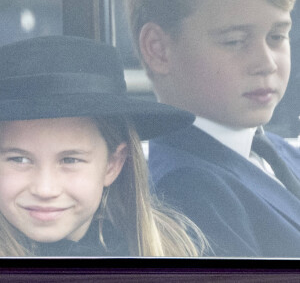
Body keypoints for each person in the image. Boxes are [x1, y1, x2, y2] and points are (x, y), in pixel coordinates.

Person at [126, 0, 300, 257]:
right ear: (158, 49)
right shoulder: (187, 189)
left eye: (277, 36)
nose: (267, 63)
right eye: (235, 41)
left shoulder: (283, 153)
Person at [0, 35, 209, 257]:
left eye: (70, 160)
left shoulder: (169, 256)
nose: (45, 189)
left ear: (112, 164)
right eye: (19, 159)